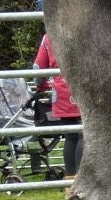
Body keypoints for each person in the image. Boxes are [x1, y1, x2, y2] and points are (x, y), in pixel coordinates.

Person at [33, 28, 82, 177]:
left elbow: (38, 67)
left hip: (60, 91)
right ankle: (83, 180)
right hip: (83, 87)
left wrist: (41, 87)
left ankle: (70, 179)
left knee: (71, 136)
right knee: (84, 134)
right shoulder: (83, 29)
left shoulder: (49, 37)